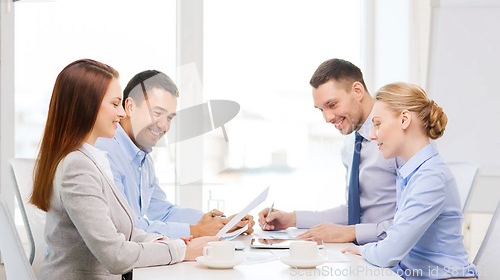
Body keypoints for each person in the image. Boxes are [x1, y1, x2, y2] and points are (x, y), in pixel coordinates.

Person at [30, 59, 217, 280]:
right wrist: (181, 251)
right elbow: (115, 255)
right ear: (87, 105)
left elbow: (122, 231)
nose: (121, 113)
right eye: (115, 103)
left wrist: (169, 242)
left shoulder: (92, 159)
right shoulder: (78, 167)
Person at [95, 70, 255, 239]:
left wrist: (219, 223)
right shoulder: (105, 153)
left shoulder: (143, 157)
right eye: (157, 113)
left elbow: (164, 212)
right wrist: (195, 230)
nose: (164, 126)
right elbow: (129, 228)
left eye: (170, 118)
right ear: (130, 107)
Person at [342, 82, 478, 280]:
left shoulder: (431, 177)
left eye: (378, 124)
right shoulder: (411, 173)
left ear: (405, 119)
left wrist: (362, 251)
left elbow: (388, 253)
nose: (372, 135)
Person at [258, 58, 399, 245]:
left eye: (332, 105)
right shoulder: (350, 144)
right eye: (321, 110)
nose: (327, 118)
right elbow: (354, 210)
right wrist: (292, 219)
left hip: (403, 262)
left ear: (357, 91)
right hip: (367, 254)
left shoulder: (398, 134)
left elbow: (414, 221)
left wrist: (352, 233)